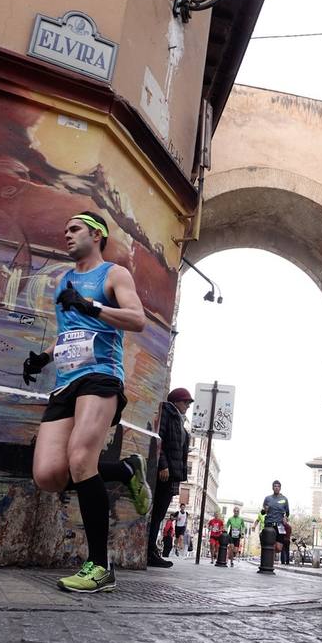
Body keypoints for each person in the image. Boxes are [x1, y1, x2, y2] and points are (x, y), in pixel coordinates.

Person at [25, 211, 151, 594]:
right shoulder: (65, 280)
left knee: (81, 458)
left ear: (96, 235)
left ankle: (99, 566)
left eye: (74, 229)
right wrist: (43, 358)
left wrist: (90, 306)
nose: (67, 234)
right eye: (65, 229)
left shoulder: (113, 274)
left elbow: (137, 319)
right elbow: (71, 332)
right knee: (49, 475)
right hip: (65, 381)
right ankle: (127, 471)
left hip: (100, 375)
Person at [147, 388, 193, 568]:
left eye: (189, 403)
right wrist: (163, 464)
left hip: (172, 475)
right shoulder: (168, 413)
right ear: (176, 401)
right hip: (164, 473)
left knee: (158, 514)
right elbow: (160, 439)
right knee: (156, 514)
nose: (188, 406)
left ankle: (151, 550)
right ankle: (150, 551)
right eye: (185, 402)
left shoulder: (179, 420)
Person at [262, 480, 290, 558]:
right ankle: (269, 561)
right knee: (268, 544)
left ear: (280, 488)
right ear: (272, 488)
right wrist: (265, 510)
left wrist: (285, 518)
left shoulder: (284, 499)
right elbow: (263, 512)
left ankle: (271, 553)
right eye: (275, 486)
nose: (276, 488)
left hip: (280, 525)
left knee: (279, 548)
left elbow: (287, 513)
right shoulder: (267, 498)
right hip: (269, 523)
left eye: (278, 486)